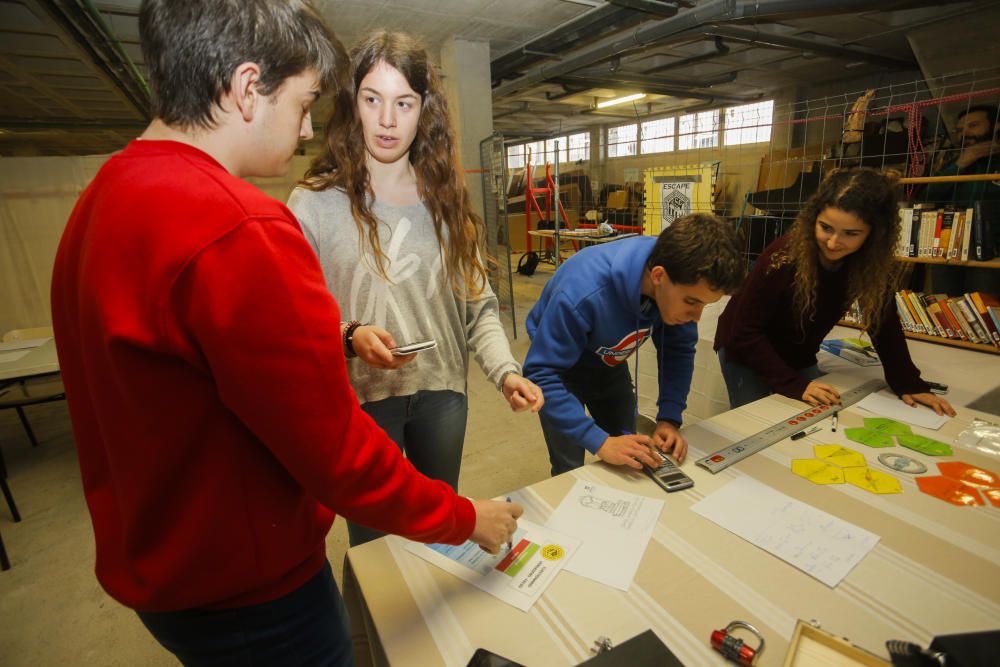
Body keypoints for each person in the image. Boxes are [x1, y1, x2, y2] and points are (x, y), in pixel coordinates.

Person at [49, 3, 521, 666]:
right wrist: (467, 518)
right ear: (247, 89)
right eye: (305, 102)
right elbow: (335, 450)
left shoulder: (102, 197)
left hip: (166, 571)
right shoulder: (242, 228)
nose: (306, 126)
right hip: (250, 589)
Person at [287, 30, 543, 547]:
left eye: (403, 102)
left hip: (443, 397)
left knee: (439, 527)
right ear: (352, 103)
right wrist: (348, 334)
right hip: (360, 403)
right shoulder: (313, 204)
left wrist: (506, 372)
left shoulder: (446, 203)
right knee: (373, 542)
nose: (387, 120)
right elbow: (291, 320)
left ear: (423, 108)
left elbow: (478, 307)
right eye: (372, 99)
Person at [715, 167, 956, 417]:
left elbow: (882, 322)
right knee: (754, 420)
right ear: (813, 218)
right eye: (826, 228)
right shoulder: (782, 257)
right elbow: (743, 332)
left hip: (798, 353)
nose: (833, 242)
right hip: (744, 348)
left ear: (874, 234)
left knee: (813, 416)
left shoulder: (870, 263)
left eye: (850, 234)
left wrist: (908, 382)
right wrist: (795, 384)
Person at [522, 213, 746, 477]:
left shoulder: (679, 274)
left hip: (608, 362)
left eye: (704, 305)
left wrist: (669, 419)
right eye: (692, 302)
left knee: (632, 452)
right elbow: (541, 373)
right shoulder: (582, 293)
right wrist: (599, 442)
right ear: (659, 276)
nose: (696, 317)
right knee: (569, 466)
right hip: (559, 370)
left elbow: (678, 350)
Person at [923, 105, 1000, 207]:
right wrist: (960, 164)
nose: (963, 134)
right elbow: (924, 198)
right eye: (959, 130)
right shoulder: (954, 164)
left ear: (996, 127)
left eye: (973, 125)